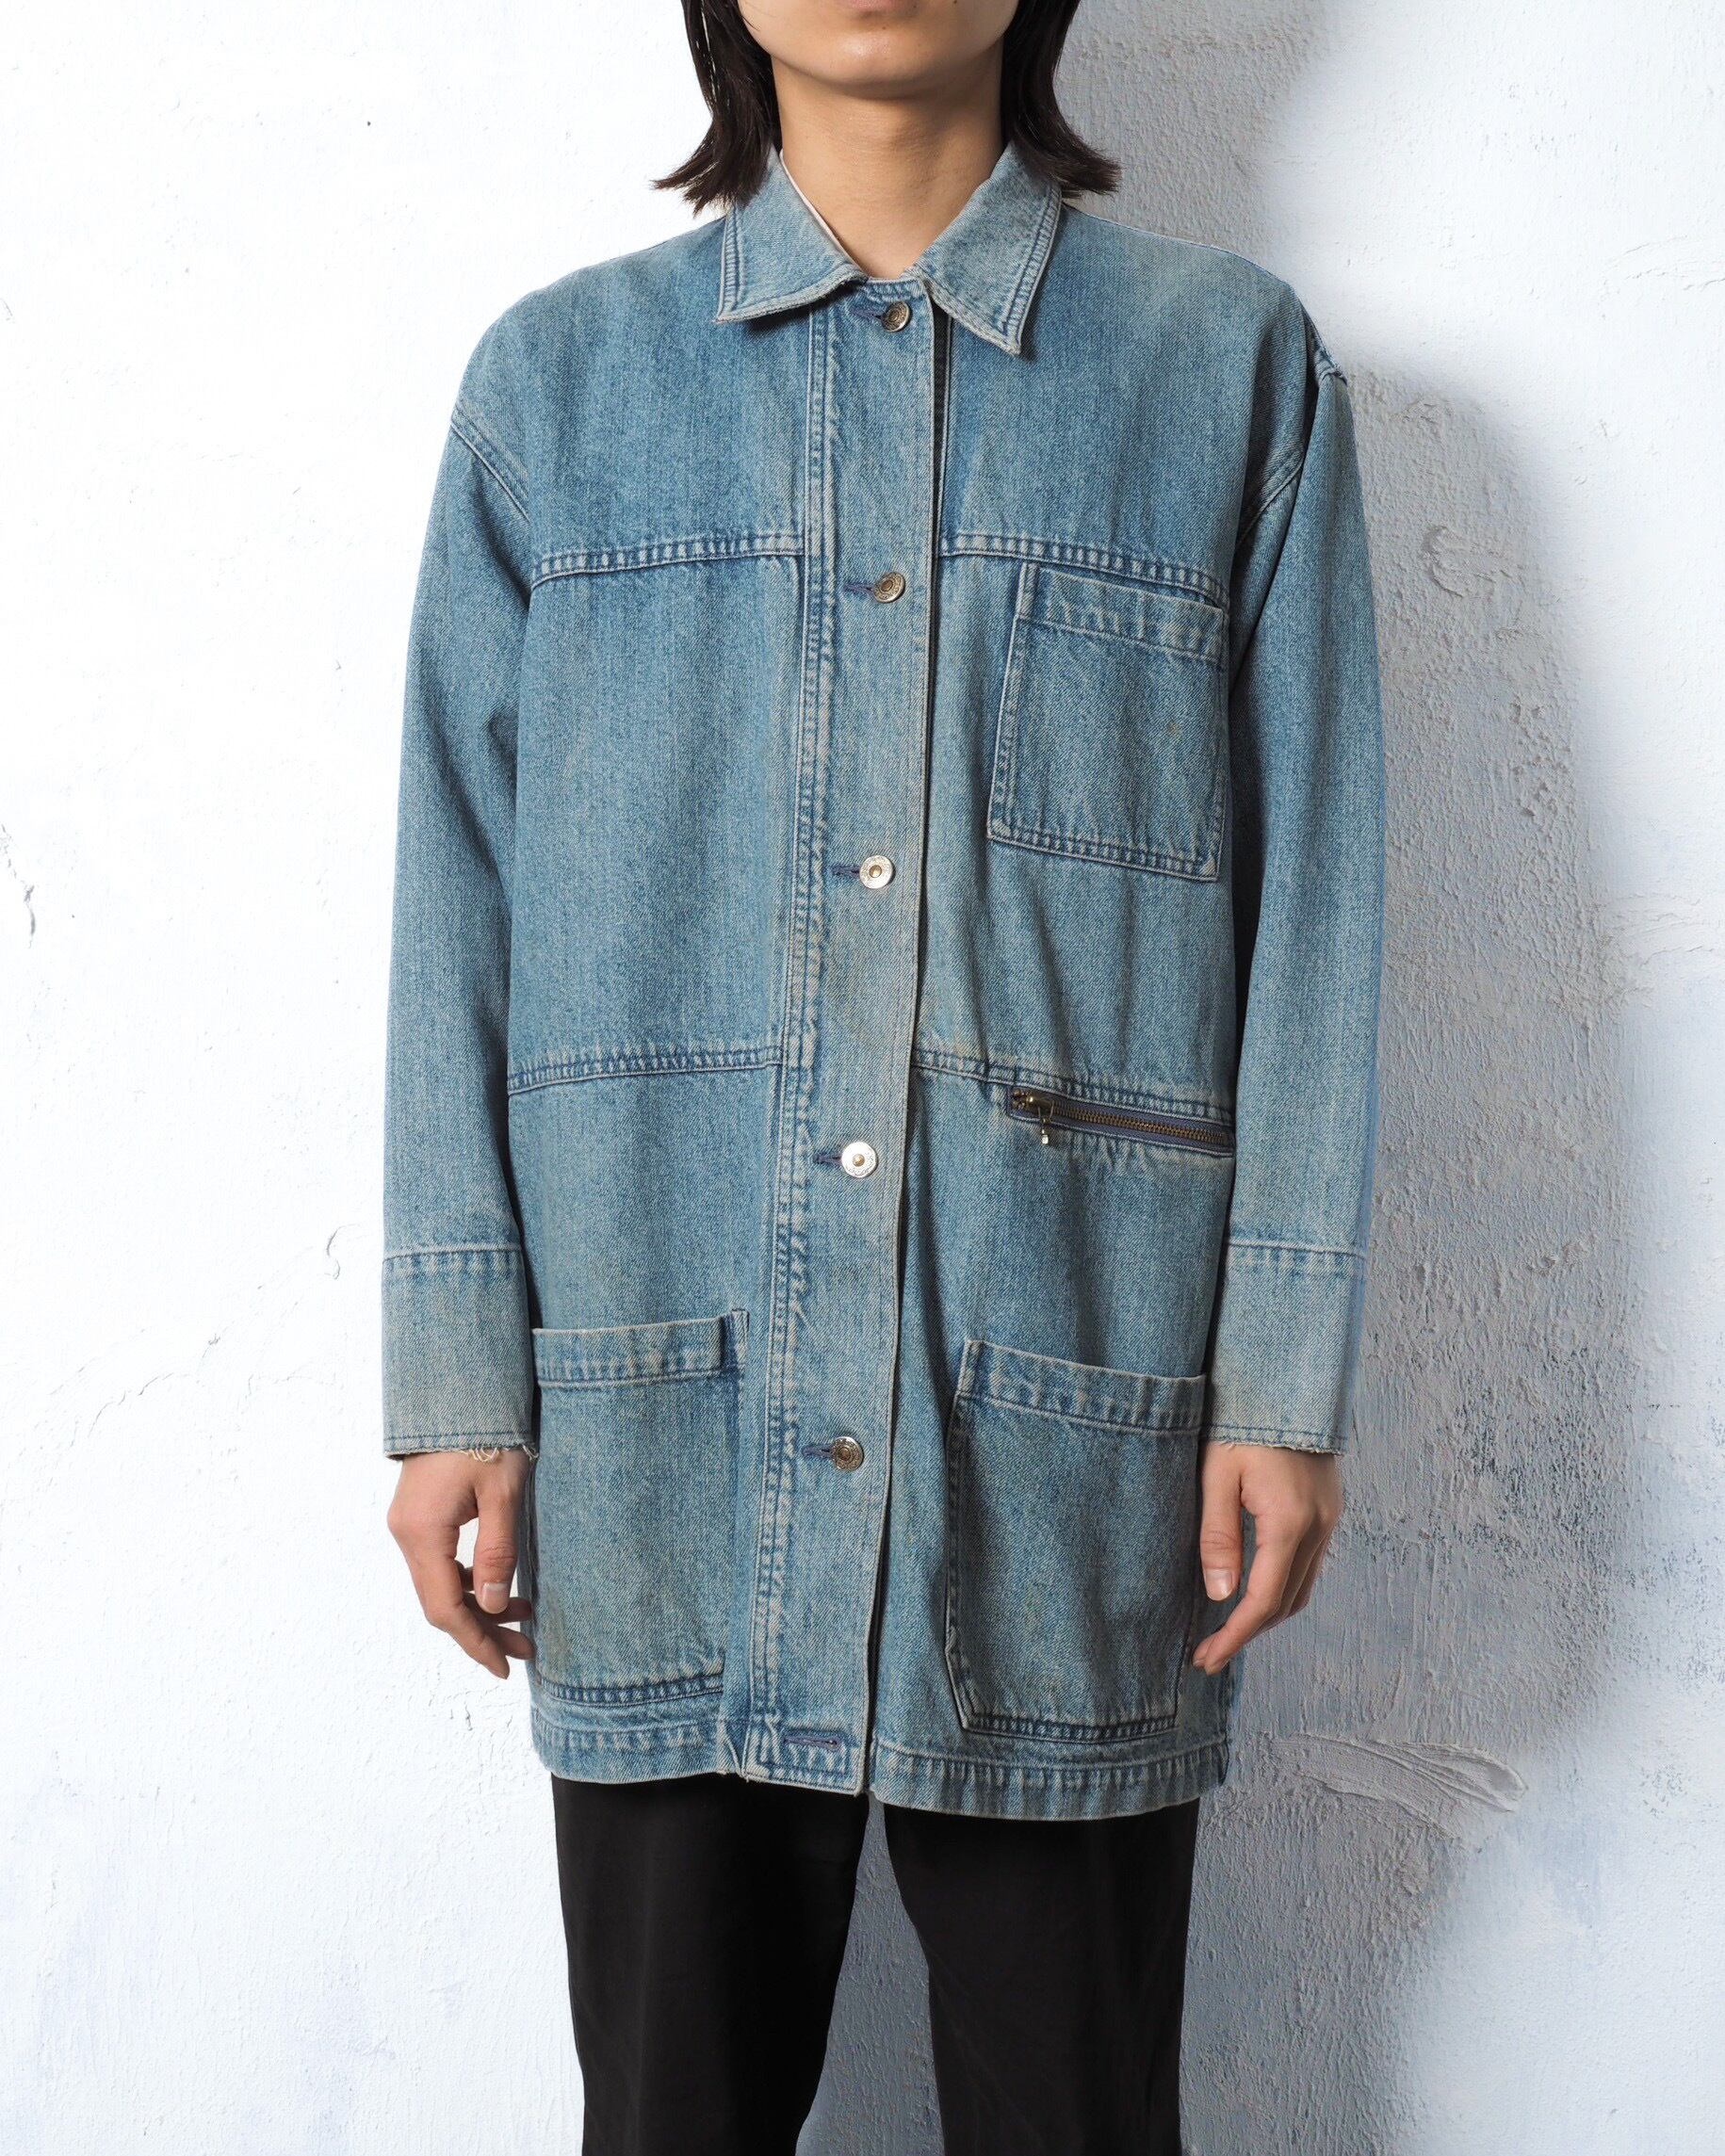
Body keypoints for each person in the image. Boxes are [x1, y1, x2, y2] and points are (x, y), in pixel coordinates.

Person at [381, 1, 1384, 2148]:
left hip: (1066, 1442)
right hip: (663, 1436)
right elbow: (455, 905)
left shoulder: (1223, 374)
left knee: (1075, 2115)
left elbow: (1314, 909)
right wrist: (458, 1374)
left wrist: (1281, 1378)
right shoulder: (558, 391)